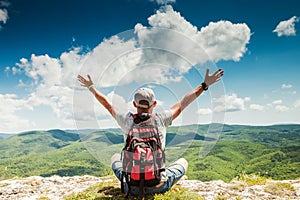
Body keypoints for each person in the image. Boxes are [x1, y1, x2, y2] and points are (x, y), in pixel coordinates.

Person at [77, 68, 224, 196]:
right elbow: (183, 103)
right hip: (158, 185)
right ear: (154, 104)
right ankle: (160, 179)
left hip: (131, 187)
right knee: (183, 162)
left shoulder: (126, 120)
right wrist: (204, 85)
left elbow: (107, 104)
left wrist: (91, 88)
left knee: (115, 157)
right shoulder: (161, 119)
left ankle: (132, 179)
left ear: (134, 104)